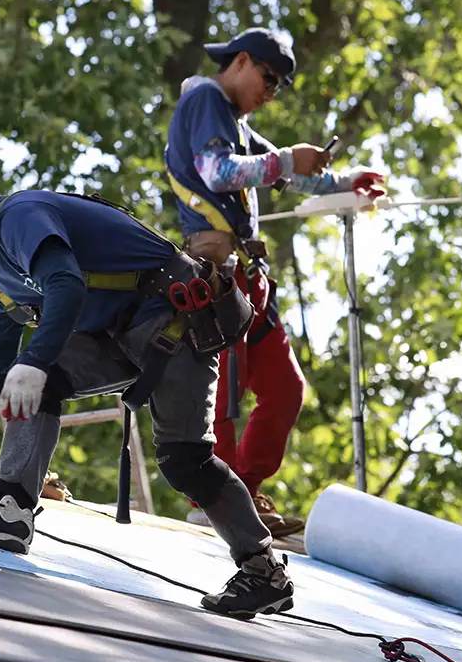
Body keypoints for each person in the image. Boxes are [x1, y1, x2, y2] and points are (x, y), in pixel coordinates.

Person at [0, 167, 294, 619]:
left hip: (177, 318)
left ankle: (263, 572)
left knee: (185, 461)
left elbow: (65, 284)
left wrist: (32, 361)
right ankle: (11, 509)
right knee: (36, 380)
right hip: (118, 334)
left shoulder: (19, 217)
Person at [164, 27, 387, 538]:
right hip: (214, 272)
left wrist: (346, 183)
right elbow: (218, 172)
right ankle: (210, 500)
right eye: (269, 78)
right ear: (241, 62)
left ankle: (239, 492)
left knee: (284, 390)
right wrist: (286, 159)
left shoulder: (233, 121)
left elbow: (286, 174)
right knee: (219, 396)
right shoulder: (205, 98)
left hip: (245, 278)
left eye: (280, 86)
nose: (271, 92)